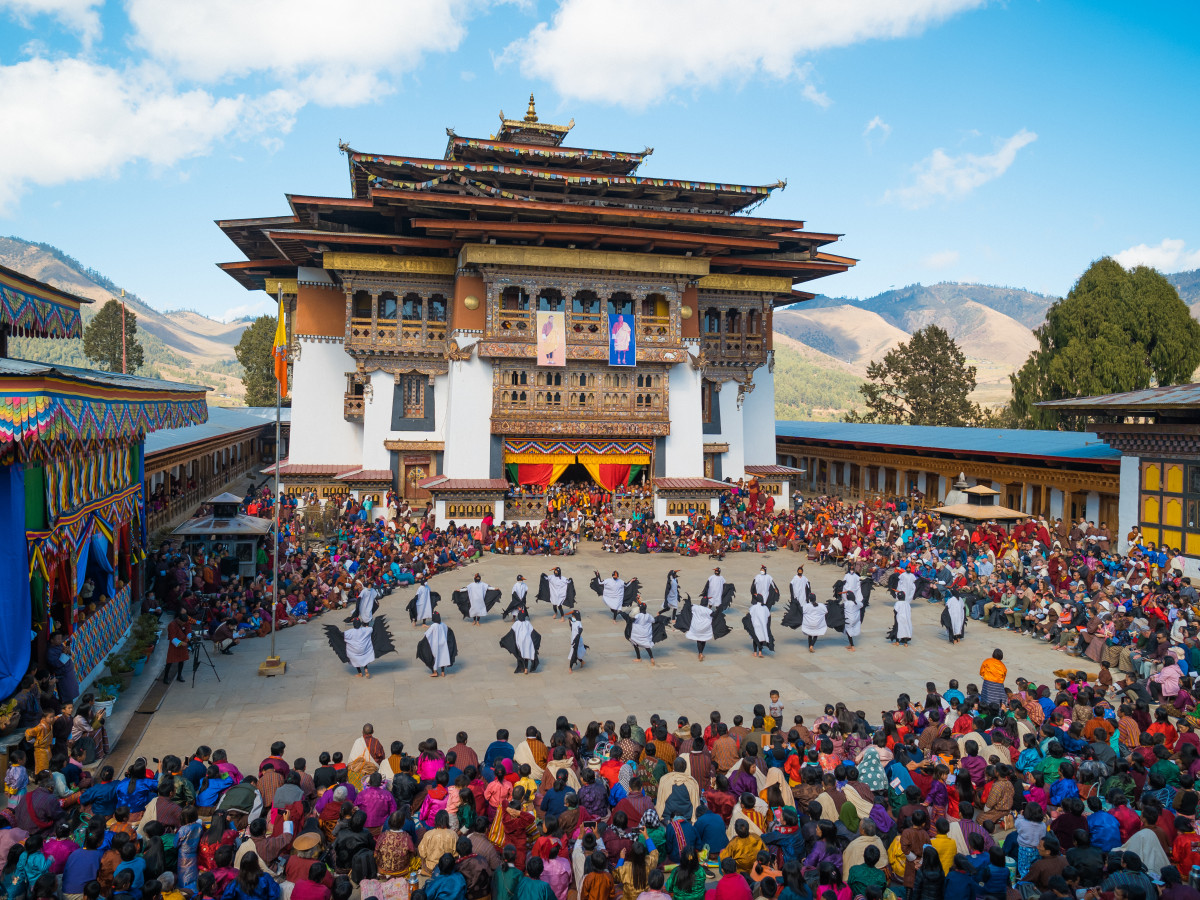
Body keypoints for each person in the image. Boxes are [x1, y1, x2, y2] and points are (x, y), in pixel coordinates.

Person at [418, 613, 457, 678]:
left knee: (435, 657)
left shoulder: (433, 626)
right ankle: (443, 672)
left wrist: (422, 642)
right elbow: (449, 630)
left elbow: (427, 634)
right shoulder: (443, 624)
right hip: (443, 644)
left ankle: (435, 672)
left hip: (435, 645)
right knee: (442, 657)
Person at [163, 612, 191, 684]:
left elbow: (188, 630)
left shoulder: (186, 622)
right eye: (182, 623)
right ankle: (165, 677)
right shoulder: (172, 625)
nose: (183, 624)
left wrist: (189, 637)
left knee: (182, 660)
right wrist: (181, 643)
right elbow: (172, 637)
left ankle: (179, 675)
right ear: (178, 620)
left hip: (184, 642)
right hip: (175, 644)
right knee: (170, 661)